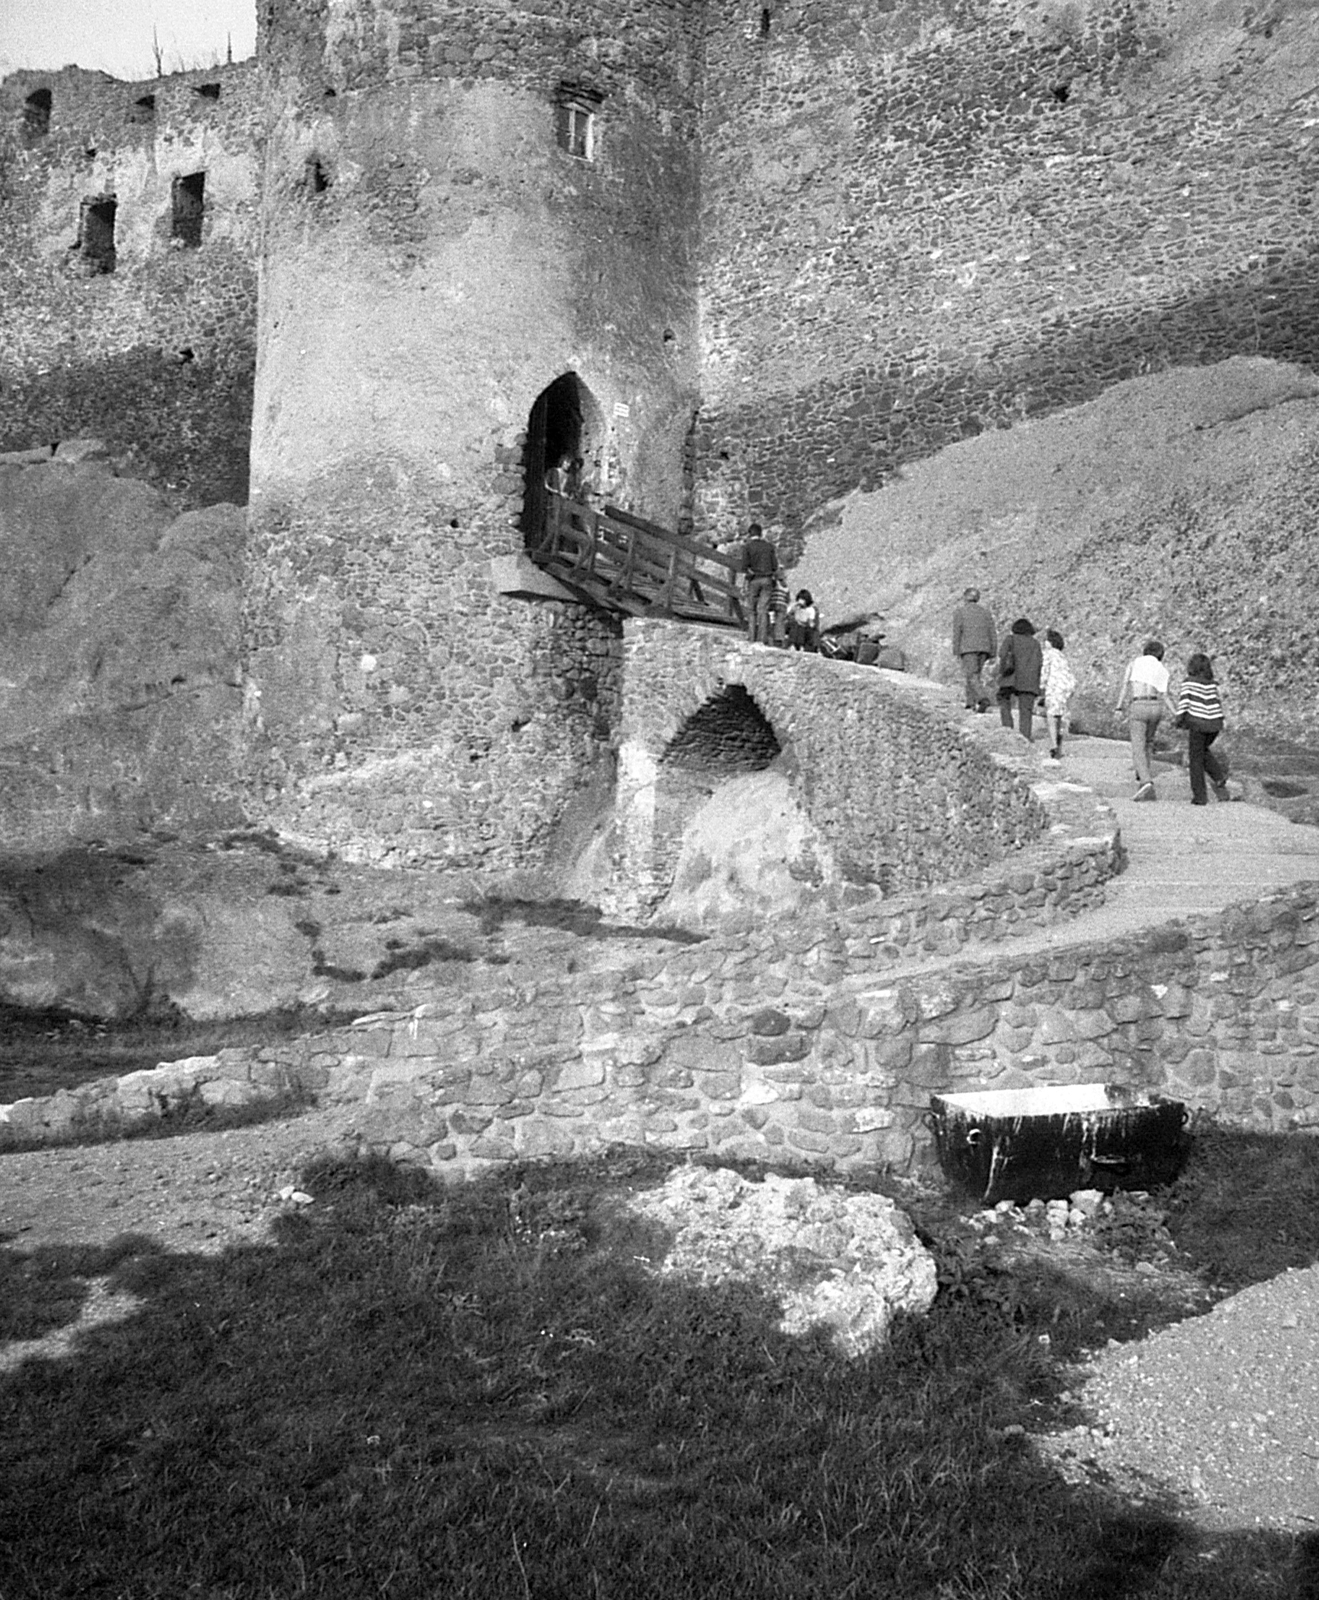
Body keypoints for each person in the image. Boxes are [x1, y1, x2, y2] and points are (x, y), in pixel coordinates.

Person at [1116, 638, 1177, 801]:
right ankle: (1143, 772)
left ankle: (1145, 781)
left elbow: (1124, 686)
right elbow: (1165, 694)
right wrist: (1176, 713)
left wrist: (1118, 707)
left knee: (1137, 745)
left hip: (1139, 703)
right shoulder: (1162, 669)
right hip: (1156, 705)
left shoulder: (1134, 663)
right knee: (1149, 742)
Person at [1176, 652, 1232, 805]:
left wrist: (1178, 720)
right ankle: (1219, 777)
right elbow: (1217, 703)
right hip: (1214, 725)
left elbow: (1184, 703)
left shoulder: (1189, 683)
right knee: (1202, 751)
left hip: (1198, 723)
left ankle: (1200, 796)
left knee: (1196, 760)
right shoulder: (1212, 684)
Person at [951, 587, 996, 711]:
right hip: (984, 649)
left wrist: (956, 650)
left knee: (971, 675)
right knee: (975, 676)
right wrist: (993, 651)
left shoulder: (960, 612)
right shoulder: (985, 612)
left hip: (968, 648)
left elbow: (957, 633)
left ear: (965, 597)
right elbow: (992, 632)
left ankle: (983, 699)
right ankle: (970, 702)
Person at [996, 618, 1042, 739]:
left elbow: (1002, 655)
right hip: (1029, 680)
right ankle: (1025, 736)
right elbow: (1039, 663)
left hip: (1010, 677)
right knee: (1026, 710)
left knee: (1003, 700)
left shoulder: (1010, 639)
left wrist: (1001, 673)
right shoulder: (1035, 643)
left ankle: (1007, 729)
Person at [1039, 628, 1077, 762]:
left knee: (1051, 715)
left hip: (1055, 686)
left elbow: (1045, 671)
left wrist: (1041, 687)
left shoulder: (1048, 654)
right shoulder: (1062, 655)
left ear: (1050, 643)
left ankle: (1054, 745)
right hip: (1067, 686)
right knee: (1060, 714)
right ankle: (1059, 739)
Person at [742, 523, 779, 645]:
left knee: (751, 609)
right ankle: (762, 639)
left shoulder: (748, 546)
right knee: (763, 609)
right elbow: (775, 566)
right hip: (767, 579)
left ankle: (751, 637)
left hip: (754, 579)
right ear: (761, 533)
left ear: (750, 533)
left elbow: (744, 566)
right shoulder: (769, 547)